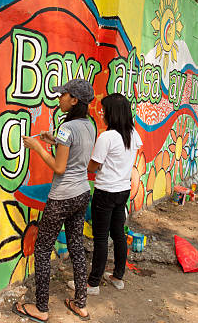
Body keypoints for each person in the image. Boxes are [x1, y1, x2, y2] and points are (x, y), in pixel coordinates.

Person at [14, 78, 95, 322]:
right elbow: (74, 155)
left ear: (74, 100)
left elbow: (60, 168)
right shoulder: (88, 124)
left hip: (62, 197)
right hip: (81, 193)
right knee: (76, 248)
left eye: (63, 95)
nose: (59, 98)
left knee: (41, 249)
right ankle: (81, 304)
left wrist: (37, 147)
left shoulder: (67, 128)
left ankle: (41, 308)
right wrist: (53, 142)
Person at [73, 93, 142, 295]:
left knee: (101, 237)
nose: (101, 114)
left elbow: (94, 166)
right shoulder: (133, 133)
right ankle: (118, 276)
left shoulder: (107, 137)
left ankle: (93, 284)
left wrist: (82, 161)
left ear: (112, 113)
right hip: (122, 191)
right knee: (119, 234)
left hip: (105, 192)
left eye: (103, 110)